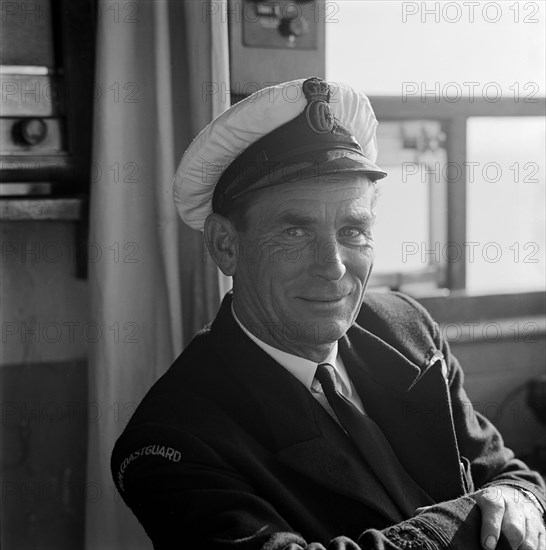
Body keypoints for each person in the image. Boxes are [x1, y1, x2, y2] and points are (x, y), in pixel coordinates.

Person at [111, 77, 546, 549]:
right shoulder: (172, 440)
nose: (333, 265)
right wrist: (466, 520)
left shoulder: (406, 328)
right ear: (226, 246)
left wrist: (517, 494)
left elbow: (506, 473)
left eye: (353, 230)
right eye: (295, 233)